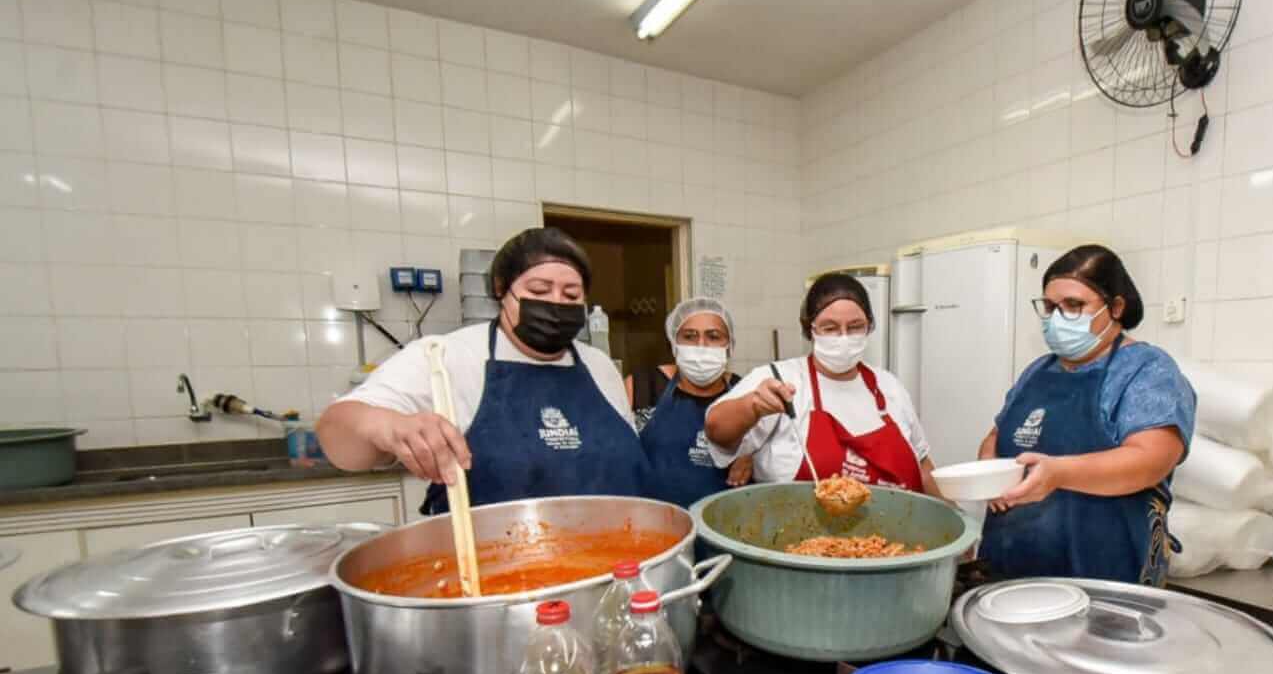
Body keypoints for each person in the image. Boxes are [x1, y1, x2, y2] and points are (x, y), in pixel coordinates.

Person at [317, 227, 648, 513]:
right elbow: (337, 434)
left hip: (619, 569)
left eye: (571, 294)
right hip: (494, 575)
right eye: (538, 291)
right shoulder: (445, 357)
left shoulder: (600, 366)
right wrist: (388, 424)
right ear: (501, 290)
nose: (556, 303)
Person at [979, 245, 1196, 586]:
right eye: (1050, 307)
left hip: (1106, 574)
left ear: (1116, 307)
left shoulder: (1147, 371)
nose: (1056, 318)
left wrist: (1058, 473)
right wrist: (988, 476)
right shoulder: (1038, 370)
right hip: (1010, 567)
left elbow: (1151, 460)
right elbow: (995, 437)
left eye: (1074, 306)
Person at [704, 273, 938, 494]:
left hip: (895, 534)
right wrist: (751, 406)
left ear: (869, 327)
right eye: (830, 328)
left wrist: (957, 519)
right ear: (810, 329)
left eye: (855, 326)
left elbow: (923, 466)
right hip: (799, 533)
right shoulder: (781, 378)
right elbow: (716, 430)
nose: (843, 337)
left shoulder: (889, 386)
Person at [626, 297, 753, 507]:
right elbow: (615, 450)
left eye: (714, 336)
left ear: (729, 346)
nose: (701, 346)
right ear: (674, 342)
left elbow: (771, 449)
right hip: (656, 522)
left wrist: (752, 453)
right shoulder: (642, 385)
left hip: (724, 521)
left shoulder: (744, 391)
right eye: (689, 336)